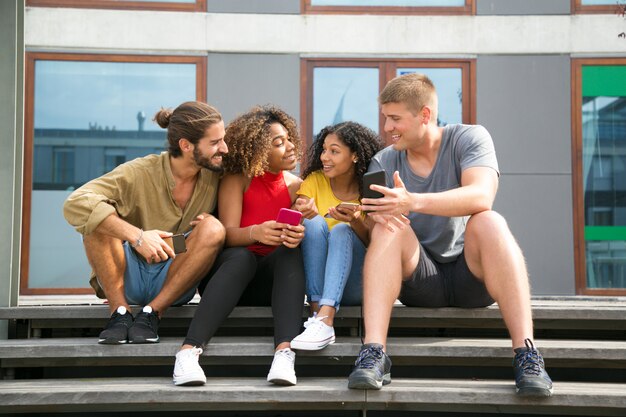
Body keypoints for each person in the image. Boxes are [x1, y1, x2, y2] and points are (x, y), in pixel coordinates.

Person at [346, 73, 553, 397]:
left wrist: (412, 201)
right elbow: (378, 236)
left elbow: (481, 195)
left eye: (395, 118)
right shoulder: (384, 160)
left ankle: (527, 354)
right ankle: (374, 353)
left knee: (490, 221)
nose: (386, 128)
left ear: (424, 115)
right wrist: (368, 220)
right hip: (420, 280)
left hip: (471, 278)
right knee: (389, 226)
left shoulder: (469, 138)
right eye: (386, 118)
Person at [63, 101, 228, 345]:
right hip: (127, 276)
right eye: (215, 142)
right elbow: (75, 203)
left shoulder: (217, 173)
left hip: (175, 279)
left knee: (214, 228)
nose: (224, 148)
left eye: (222, 139)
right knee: (97, 218)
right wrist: (138, 236)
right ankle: (119, 314)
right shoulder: (139, 172)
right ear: (185, 145)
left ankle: (153, 314)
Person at [172, 105, 306, 386]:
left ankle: (284, 353)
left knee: (289, 253)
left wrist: (297, 233)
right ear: (257, 150)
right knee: (242, 257)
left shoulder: (297, 186)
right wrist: (256, 232)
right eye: (278, 143)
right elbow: (226, 234)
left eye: (289, 139)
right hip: (229, 279)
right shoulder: (238, 179)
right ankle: (188, 353)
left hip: (270, 287)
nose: (290, 147)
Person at [291, 122, 383, 350]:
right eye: (323, 150)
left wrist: (354, 220)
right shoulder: (314, 180)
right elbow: (293, 219)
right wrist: (300, 213)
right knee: (313, 223)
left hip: (355, 283)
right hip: (319, 285)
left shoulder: (369, 189)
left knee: (343, 230)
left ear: (354, 156)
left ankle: (326, 317)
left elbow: (377, 244)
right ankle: (317, 316)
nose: (325, 157)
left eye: (334, 151)